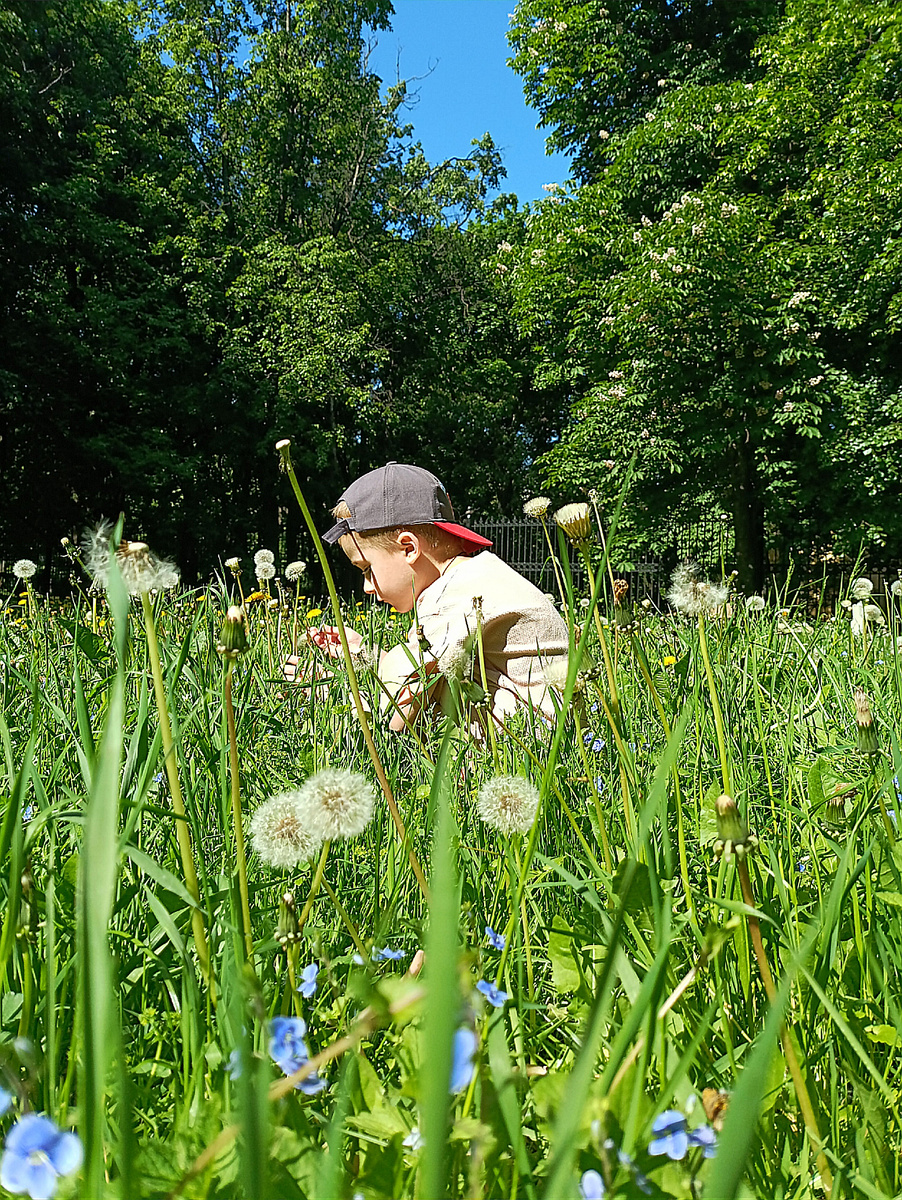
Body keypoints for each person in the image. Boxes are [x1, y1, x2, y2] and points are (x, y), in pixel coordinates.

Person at [284, 462, 569, 733]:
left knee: (428, 698)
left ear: (409, 548)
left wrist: (327, 690)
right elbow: (424, 671)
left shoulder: (454, 596)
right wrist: (366, 654)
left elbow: (395, 718)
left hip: (527, 743)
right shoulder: (478, 576)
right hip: (552, 730)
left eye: (367, 569)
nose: (367, 587)